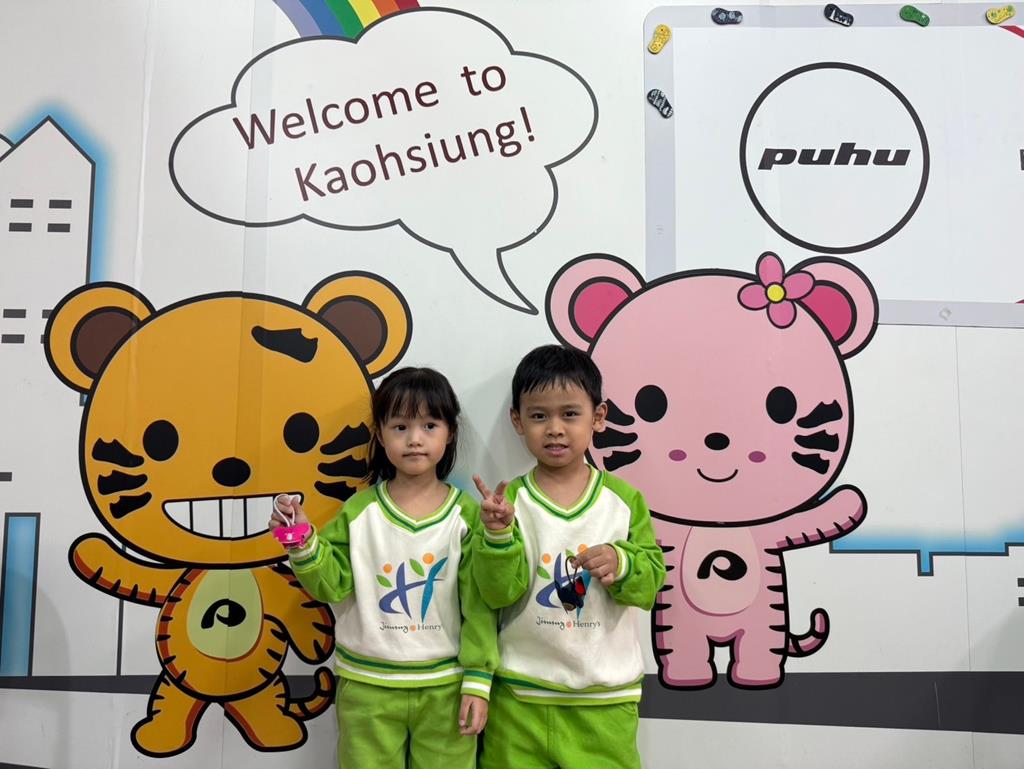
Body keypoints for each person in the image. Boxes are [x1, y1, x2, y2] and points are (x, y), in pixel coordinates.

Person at [270, 367, 495, 769]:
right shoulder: (358, 512)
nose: (414, 439)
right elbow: (331, 584)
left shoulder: (467, 516)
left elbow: (478, 606)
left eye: (429, 425)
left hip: (445, 688)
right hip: (367, 686)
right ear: (379, 434)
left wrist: (478, 679)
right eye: (400, 426)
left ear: (450, 433)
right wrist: (302, 542)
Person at [472, 345, 666, 769]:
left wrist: (622, 563)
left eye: (570, 414)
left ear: (599, 416)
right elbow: (495, 593)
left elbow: (651, 583)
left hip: (604, 702)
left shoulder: (624, 501)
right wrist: (498, 535)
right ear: (517, 421)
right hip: (519, 697)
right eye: (539, 416)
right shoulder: (507, 504)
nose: (555, 429)